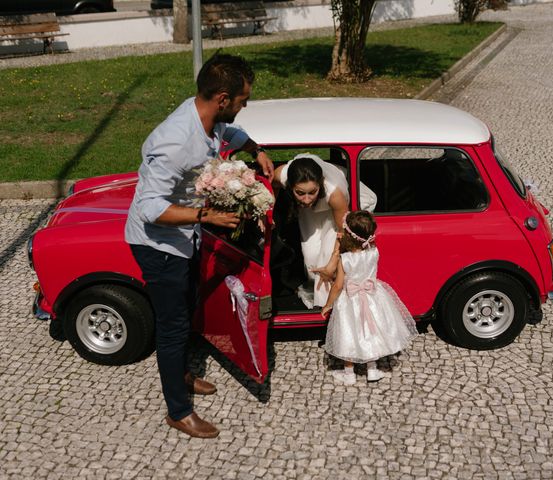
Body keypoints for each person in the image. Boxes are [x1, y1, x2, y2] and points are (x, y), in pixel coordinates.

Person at [125, 54, 274, 438]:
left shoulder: (207, 117)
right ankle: (178, 409)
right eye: (243, 100)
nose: (245, 105)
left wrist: (255, 148)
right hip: (160, 246)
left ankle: (182, 373)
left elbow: (230, 136)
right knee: (172, 327)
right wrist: (205, 218)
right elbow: (149, 208)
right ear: (223, 99)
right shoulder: (175, 141)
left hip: (185, 238)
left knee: (188, 305)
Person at [321, 211, 418, 385]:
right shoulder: (374, 252)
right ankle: (372, 370)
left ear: (347, 236)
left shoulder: (345, 259)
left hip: (350, 301)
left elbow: (337, 286)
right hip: (374, 297)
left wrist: (328, 305)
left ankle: (349, 373)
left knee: (349, 333)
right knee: (372, 331)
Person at [272, 154, 376, 308]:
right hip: (309, 212)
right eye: (300, 193)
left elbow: (343, 230)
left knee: (326, 260)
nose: (306, 199)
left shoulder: (335, 194)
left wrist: (333, 264)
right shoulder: (281, 175)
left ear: (320, 185)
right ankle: (317, 293)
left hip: (334, 209)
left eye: (312, 192)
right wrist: (270, 212)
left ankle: (332, 304)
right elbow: (272, 186)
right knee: (310, 255)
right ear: (291, 185)